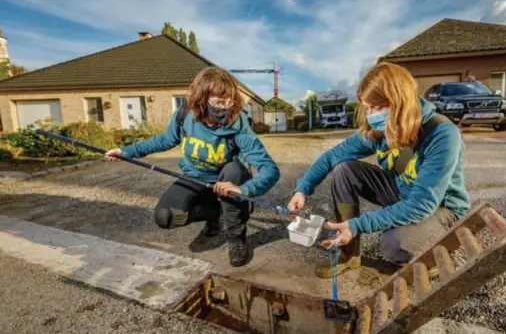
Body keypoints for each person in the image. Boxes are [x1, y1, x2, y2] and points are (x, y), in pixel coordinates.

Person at [287, 62, 471, 278]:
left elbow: (422, 204)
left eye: (377, 107)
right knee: (344, 169)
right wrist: (302, 189)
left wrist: (358, 225)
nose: (371, 115)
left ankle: (429, 257)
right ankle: (349, 255)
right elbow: (332, 156)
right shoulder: (380, 130)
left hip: (440, 208)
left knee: (393, 244)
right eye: (367, 107)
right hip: (402, 192)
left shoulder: (442, 134)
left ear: (399, 103)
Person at [105, 66, 280, 267]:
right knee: (166, 217)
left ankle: (236, 237)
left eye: (229, 102)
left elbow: (270, 170)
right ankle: (216, 213)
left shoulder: (238, 125)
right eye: (218, 101)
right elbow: (164, 140)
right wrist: (126, 152)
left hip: (228, 182)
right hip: (195, 177)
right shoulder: (184, 116)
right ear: (202, 98)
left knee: (234, 169)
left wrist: (244, 190)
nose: (225, 108)